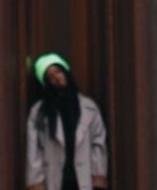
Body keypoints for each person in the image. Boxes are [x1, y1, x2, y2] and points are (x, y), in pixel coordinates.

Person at [25, 53, 108, 190]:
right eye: (50, 77)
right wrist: (36, 182)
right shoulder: (39, 111)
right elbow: (34, 150)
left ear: (66, 72)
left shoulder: (89, 107)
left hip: (82, 179)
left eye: (58, 71)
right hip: (54, 179)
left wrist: (98, 177)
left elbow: (98, 143)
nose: (56, 78)